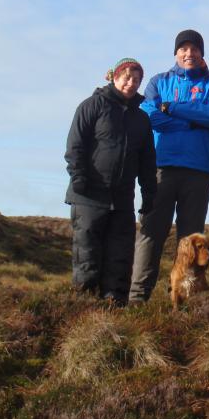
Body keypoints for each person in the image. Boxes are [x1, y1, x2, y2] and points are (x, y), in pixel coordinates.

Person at [128, 30, 209, 303]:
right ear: (176, 53)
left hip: (199, 170)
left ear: (202, 54)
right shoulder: (159, 81)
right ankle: (138, 298)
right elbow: (149, 115)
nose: (189, 53)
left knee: (191, 241)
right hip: (162, 167)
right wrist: (190, 121)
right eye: (183, 48)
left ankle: (186, 298)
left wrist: (171, 108)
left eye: (194, 49)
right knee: (150, 233)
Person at [64, 59, 157, 305]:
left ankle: (114, 308)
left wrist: (149, 195)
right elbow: (75, 146)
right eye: (126, 77)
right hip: (88, 196)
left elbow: (148, 161)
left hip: (123, 199)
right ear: (114, 77)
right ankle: (84, 307)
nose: (130, 83)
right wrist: (79, 178)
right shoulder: (91, 106)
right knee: (87, 254)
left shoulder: (141, 119)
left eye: (136, 80)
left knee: (120, 257)